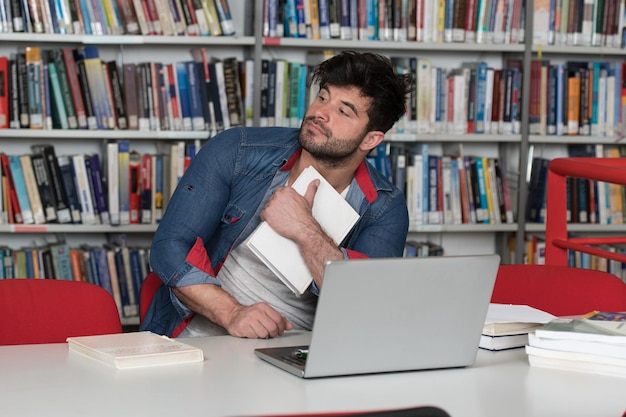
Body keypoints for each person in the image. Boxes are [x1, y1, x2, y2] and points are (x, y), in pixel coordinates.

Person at [141, 51, 413, 339]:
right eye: (323, 97)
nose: (320, 112)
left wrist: (304, 229)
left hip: (301, 351)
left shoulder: (384, 208)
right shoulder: (236, 151)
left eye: (344, 111)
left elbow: (364, 309)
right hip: (202, 337)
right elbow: (169, 247)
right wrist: (232, 313)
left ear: (371, 139)